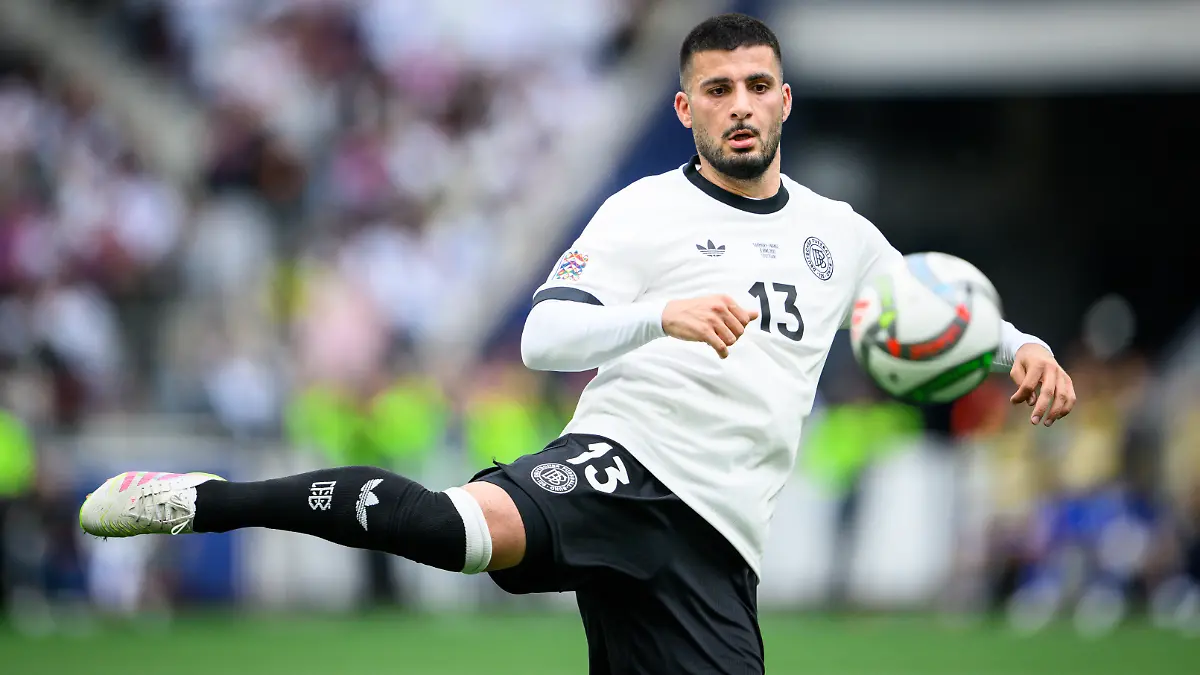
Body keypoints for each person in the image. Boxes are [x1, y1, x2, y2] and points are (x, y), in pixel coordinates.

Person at [79, 13, 1077, 674]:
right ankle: (202, 500)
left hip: (717, 544)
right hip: (625, 464)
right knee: (458, 529)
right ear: (685, 109)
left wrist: (1018, 346)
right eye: (716, 89)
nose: (738, 104)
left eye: (755, 85)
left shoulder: (841, 231)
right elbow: (546, 336)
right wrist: (660, 317)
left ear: (783, 101)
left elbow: (926, 305)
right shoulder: (644, 210)